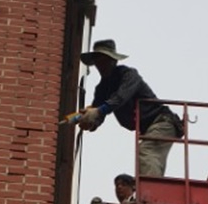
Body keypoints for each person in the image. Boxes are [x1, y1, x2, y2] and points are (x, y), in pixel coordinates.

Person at [76, 40, 182, 177]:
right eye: (98, 61)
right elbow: (98, 113)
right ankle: (152, 184)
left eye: (105, 60)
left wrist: (98, 111)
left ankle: (150, 188)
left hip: (162, 122)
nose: (101, 65)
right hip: (149, 128)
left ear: (113, 61)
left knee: (147, 151)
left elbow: (120, 97)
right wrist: (89, 121)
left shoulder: (128, 75)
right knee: (148, 155)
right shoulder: (102, 88)